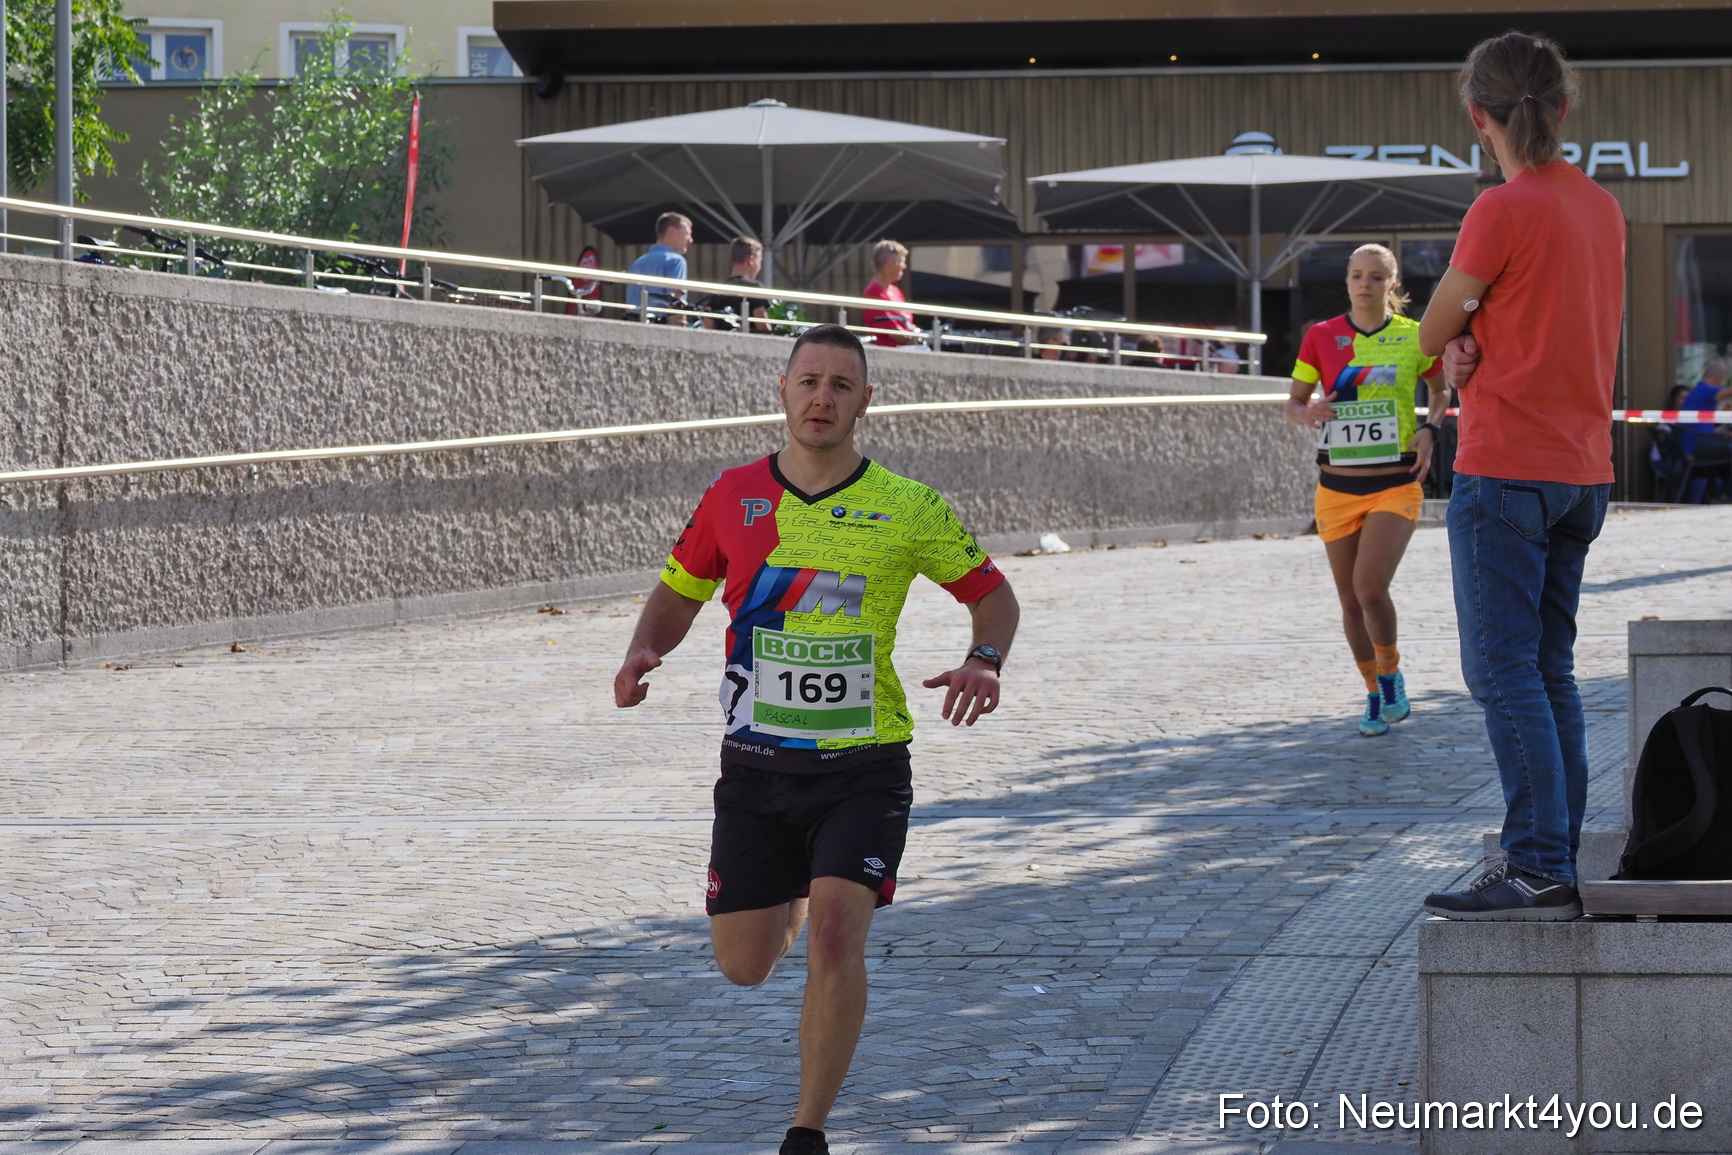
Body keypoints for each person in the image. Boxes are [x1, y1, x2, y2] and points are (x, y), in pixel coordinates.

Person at [612, 323, 1019, 1155]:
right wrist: (643, 647)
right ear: (784, 391)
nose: (823, 397)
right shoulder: (732, 495)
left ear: (867, 401)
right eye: (809, 381)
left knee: (838, 935)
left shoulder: (909, 505)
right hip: (755, 767)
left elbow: (994, 596)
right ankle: (798, 886)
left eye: (841, 384)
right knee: (744, 964)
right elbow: (679, 593)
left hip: (864, 766)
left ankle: (807, 1130)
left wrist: (984, 658)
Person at [1418, 32, 1625, 921]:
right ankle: (1556, 857)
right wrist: (1479, 338)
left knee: (1502, 672)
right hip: (1583, 471)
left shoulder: (1499, 209)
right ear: (1565, 108)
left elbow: (1428, 331)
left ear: (1479, 118)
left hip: (1504, 470)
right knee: (1550, 670)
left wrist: (1460, 342)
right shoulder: (1603, 209)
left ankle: (1534, 863)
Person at [1286, 244, 1447, 737]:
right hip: (1335, 487)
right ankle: (1374, 693)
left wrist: (1431, 428)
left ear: (1391, 286)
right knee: (1350, 603)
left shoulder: (1416, 337)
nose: (1365, 284)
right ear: (1347, 281)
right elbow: (1292, 403)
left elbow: (1442, 391)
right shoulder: (1321, 336)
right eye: (1357, 275)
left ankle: (1392, 673)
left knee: (1370, 588)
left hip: (1394, 484)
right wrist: (1308, 411)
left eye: (1376, 277)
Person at [1675, 358, 1730, 502]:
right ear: (1719, 378)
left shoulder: (1698, 391)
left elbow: (1699, 426)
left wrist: (1722, 433)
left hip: (1694, 444)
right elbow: (1727, 393)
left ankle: (1715, 495)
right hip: (1699, 446)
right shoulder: (1707, 390)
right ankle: (1726, 494)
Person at [625, 212, 693, 322]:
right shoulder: (676, 261)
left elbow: (629, 307)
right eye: (687, 234)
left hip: (634, 327)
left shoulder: (637, 262)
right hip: (661, 330)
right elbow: (676, 305)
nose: (690, 240)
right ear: (672, 231)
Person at [698, 236, 772, 334]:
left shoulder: (717, 292)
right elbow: (762, 326)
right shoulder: (754, 288)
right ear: (751, 260)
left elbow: (708, 325)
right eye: (759, 261)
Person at [860, 240, 923, 347]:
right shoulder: (874, 292)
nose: (904, 266)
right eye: (901, 261)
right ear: (888, 264)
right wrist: (914, 337)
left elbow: (907, 323)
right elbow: (892, 331)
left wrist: (916, 333)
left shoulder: (895, 290)